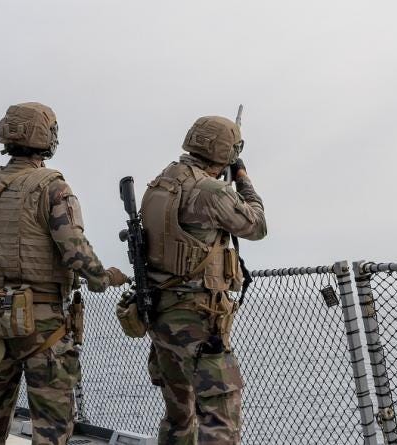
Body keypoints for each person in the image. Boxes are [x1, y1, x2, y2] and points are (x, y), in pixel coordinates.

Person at [0, 102, 129, 445]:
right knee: (52, 424)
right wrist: (105, 277)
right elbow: (74, 250)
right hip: (40, 322)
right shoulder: (53, 188)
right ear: (47, 137)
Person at [140, 115, 267, 444]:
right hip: (197, 318)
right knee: (221, 414)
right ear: (228, 151)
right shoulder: (211, 190)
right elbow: (257, 226)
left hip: (161, 313)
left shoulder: (161, 184)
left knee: (179, 416)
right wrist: (242, 178)